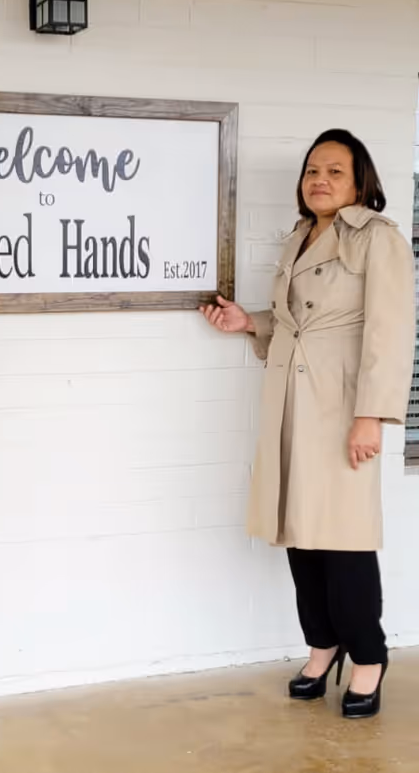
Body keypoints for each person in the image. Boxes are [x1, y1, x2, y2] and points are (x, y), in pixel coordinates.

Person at [200, 129, 415, 719]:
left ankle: (367, 656)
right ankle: (322, 646)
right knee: (300, 532)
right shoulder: (299, 236)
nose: (319, 179)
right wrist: (250, 322)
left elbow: (390, 333)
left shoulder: (379, 240)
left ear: (360, 180)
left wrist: (370, 416)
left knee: (343, 537)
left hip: (342, 405)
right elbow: (297, 321)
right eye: (312, 170)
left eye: (335, 171)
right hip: (291, 399)